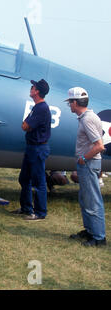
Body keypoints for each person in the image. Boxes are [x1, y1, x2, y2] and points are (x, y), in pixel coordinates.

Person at [66, 87, 107, 247]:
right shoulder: (87, 117)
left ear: (75, 102)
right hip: (88, 163)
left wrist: (83, 158)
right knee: (85, 200)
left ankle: (98, 238)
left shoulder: (87, 119)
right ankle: (90, 231)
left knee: (92, 201)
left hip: (89, 163)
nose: (69, 105)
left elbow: (99, 146)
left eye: (70, 102)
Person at [13, 79, 51, 221]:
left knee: (38, 181)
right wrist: (26, 124)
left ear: (37, 91)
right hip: (32, 148)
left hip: (38, 148)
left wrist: (26, 124)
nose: (31, 88)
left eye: (33, 87)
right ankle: (26, 208)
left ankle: (40, 212)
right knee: (24, 178)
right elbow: (26, 125)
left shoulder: (41, 108)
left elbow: (25, 126)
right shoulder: (37, 107)